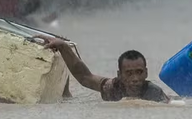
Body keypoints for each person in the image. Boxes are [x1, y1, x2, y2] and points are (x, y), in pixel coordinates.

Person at [43, 39, 171, 103]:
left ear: (146, 73)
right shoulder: (113, 88)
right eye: (129, 73)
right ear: (119, 75)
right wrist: (62, 46)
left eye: (139, 72)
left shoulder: (154, 93)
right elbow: (85, 77)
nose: (135, 79)